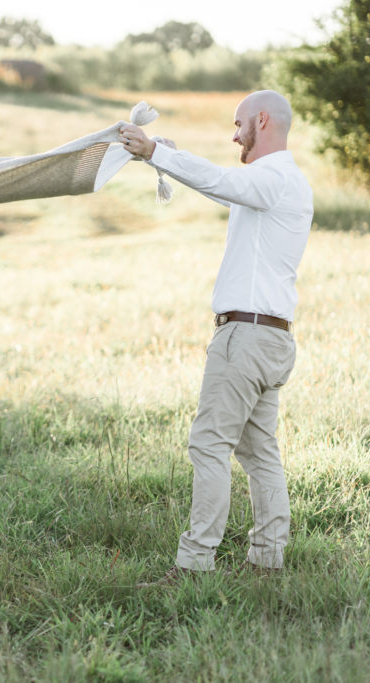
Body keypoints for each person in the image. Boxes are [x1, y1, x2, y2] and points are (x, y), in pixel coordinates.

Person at [120, 90, 313, 582]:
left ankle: (194, 564)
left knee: (208, 445)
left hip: (245, 339)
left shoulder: (273, 177)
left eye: (238, 123)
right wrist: (169, 157)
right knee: (258, 451)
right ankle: (268, 560)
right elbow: (223, 187)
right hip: (271, 339)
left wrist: (158, 154)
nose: (233, 135)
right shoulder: (280, 181)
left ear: (262, 120)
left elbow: (225, 181)